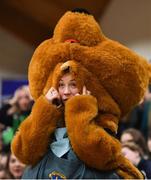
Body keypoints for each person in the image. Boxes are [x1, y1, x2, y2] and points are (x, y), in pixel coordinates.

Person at [20, 72, 121, 179]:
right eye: (61, 85)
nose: (66, 92)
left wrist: (81, 110)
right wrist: (45, 108)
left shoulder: (103, 119)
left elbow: (101, 158)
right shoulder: (47, 116)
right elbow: (25, 153)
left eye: (73, 85)